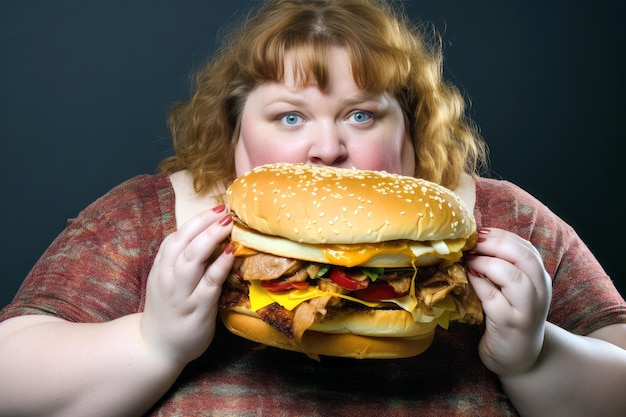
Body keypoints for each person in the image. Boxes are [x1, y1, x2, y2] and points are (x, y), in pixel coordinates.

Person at [1, 0, 625, 416]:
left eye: (361, 113)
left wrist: (538, 354)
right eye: (290, 116)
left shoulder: (504, 220)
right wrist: (151, 341)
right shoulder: (146, 217)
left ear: (410, 125)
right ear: (235, 129)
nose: (327, 148)